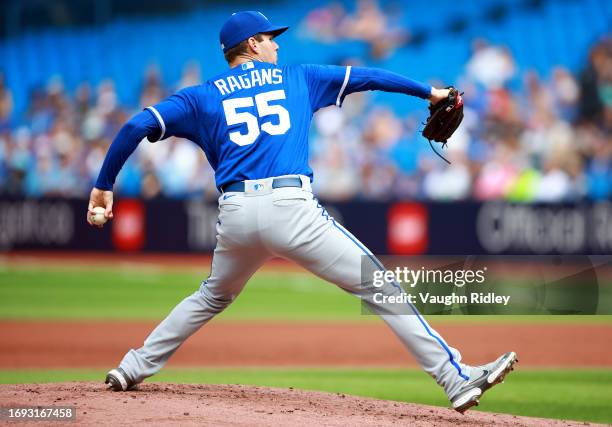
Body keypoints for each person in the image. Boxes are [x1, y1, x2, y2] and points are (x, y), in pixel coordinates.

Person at [88, 11, 517, 413]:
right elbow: (368, 76)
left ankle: (132, 367)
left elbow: (134, 127)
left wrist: (104, 185)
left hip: (235, 214)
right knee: (381, 286)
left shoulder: (201, 96)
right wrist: (430, 92)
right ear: (252, 44)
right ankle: (455, 378)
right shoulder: (298, 77)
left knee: (211, 296)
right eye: (270, 39)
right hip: (290, 207)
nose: (276, 46)